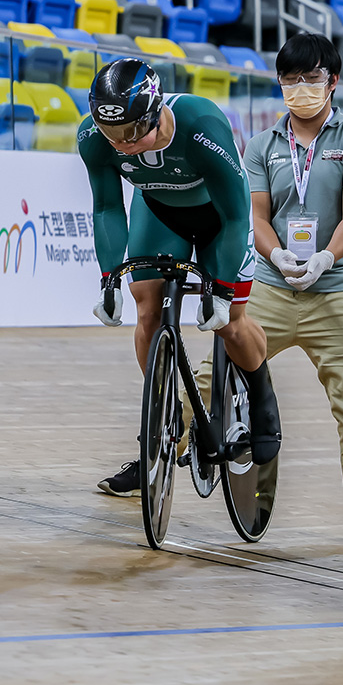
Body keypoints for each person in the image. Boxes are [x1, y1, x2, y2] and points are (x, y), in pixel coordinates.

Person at [202, 33, 343, 552]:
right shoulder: (263, 145)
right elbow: (256, 217)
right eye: (290, 79)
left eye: (311, 78)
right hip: (272, 288)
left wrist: (326, 257)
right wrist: (277, 255)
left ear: (333, 81)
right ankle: (159, 450)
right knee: (209, 374)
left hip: (337, 292)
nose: (300, 88)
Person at [81, 59, 279, 493]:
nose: (122, 145)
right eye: (112, 136)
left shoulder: (202, 125)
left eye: (133, 133)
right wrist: (109, 276)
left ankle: (262, 398)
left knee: (230, 323)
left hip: (218, 219)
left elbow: (234, 215)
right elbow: (107, 207)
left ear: (155, 113)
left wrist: (223, 289)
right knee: (147, 310)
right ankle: (160, 428)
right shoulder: (95, 138)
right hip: (159, 215)